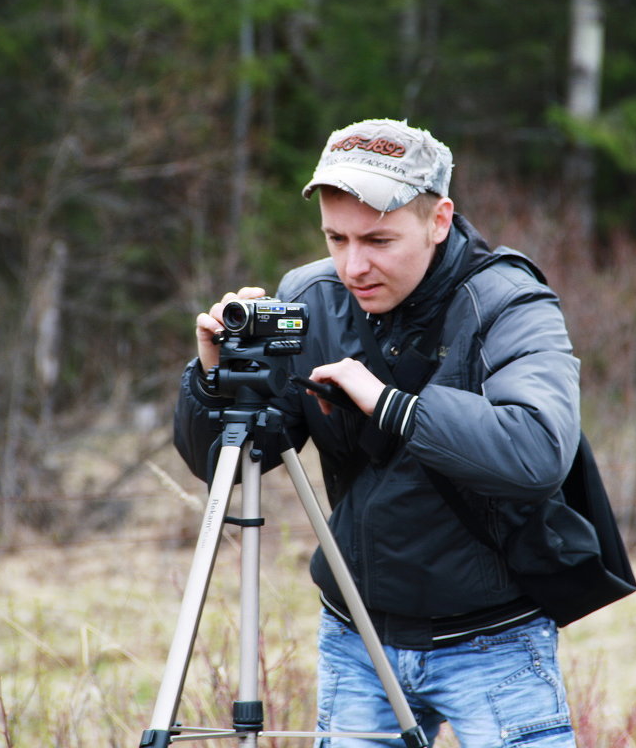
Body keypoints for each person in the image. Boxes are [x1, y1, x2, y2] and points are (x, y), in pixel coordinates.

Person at [174, 119, 581, 747]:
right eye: (335, 238)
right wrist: (214, 382)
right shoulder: (309, 298)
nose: (353, 264)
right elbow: (236, 459)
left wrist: (390, 405)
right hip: (357, 638)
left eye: (379, 239)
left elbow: (538, 451)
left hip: (494, 644)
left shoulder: (509, 303)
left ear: (439, 220)